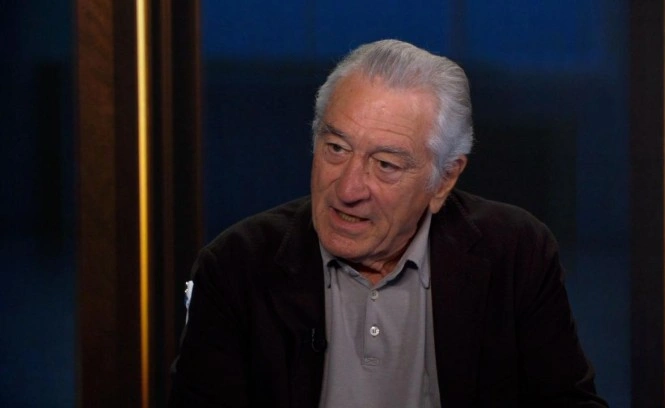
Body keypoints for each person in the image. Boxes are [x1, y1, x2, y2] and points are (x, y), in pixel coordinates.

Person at [169, 39, 608, 407]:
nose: (348, 189)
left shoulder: (515, 253)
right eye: (336, 148)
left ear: (443, 179)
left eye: (385, 164)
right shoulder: (235, 266)